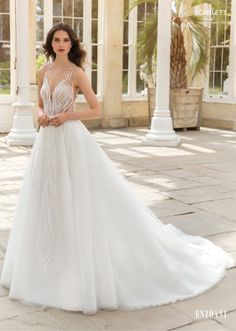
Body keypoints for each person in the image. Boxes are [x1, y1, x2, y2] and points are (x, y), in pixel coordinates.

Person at [0, 22, 234, 315]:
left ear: (72, 45)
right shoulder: (43, 71)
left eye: (65, 40)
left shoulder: (77, 73)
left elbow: (97, 110)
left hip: (71, 141)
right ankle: (45, 267)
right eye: (56, 40)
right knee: (47, 200)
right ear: (50, 44)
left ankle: (77, 271)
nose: (61, 44)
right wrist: (43, 114)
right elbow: (39, 104)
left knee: (77, 200)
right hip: (46, 144)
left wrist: (66, 116)